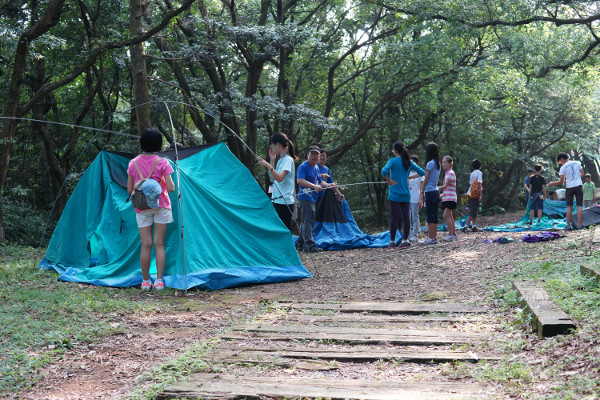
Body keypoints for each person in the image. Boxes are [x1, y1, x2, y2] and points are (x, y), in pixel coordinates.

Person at [127, 128, 175, 291]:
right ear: (159, 145)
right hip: (161, 205)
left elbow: (129, 189)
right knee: (159, 243)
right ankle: (160, 281)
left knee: (146, 244)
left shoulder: (133, 163)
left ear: (141, 144)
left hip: (142, 206)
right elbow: (170, 188)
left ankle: (146, 281)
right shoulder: (163, 162)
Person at [381, 142, 425, 248]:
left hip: (394, 194)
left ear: (395, 151)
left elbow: (384, 171)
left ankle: (392, 242)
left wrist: (389, 180)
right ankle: (405, 240)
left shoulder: (392, 161)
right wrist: (410, 178)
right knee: (406, 218)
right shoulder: (408, 162)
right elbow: (422, 172)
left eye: (392, 150)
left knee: (394, 218)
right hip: (405, 194)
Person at [296, 145, 337, 252]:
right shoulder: (303, 166)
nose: (314, 156)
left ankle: (300, 244)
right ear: (307, 155)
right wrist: (314, 186)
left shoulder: (316, 168)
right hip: (305, 196)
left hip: (313, 198)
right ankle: (309, 246)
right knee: (308, 221)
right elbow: (300, 180)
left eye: (316, 154)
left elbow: (320, 182)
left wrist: (329, 186)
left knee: (306, 220)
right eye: (312, 154)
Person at [257, 132, 298, 231]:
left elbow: (280, 178)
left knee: (284, 231)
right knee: (276, 230)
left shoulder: (288, 160)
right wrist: (272, 160)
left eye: (272, 145)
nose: (271, 148)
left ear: (278, 145)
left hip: (284, 203)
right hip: (277, 201)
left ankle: (288, 247)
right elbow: (273, 179)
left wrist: (269, 166)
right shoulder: (280, 160)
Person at [548, 152, 584, 230]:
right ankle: (580, 225)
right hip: (578, 186)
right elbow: (582, 174)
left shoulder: (563, 167)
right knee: (579, 206)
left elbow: (561, 182)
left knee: (569, 207)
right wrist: (576, 178)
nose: (560, 163)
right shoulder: (577, 163)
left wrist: (552, 183)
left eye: (559, 162)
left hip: (569, 187)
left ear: (561, 159)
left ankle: (568, 226)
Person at [419, 143, 442, 245]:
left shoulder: (430, 164)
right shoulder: (438, 163)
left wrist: (421, 192)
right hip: (436, 190)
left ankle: (431, 238)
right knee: (434, 214)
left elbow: (426, 179)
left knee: (430, 215)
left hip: (430, 191)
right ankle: (433, 237)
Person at [439, 156, 458, 241]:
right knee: (450, 216)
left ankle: (451, 235)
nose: (443, 164)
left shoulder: (450, 173)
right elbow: (448, 188)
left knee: (446, 215)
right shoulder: (447, 173)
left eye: (445, 162)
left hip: (451, 198)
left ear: (450, 164)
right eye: (442, 162)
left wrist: (434, 188)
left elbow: (445, 186)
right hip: (447, 197)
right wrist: (443, 194)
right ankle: (453, 234)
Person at [408, 155, 425, 243]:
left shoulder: (420, 174)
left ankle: (414, 234)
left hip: (415, 198)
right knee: (407, 217)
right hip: (406, 198)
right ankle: (407, 235)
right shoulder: (406, 172)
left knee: (415, 217)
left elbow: (422, 187)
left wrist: (421, 199)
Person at [463, 159, 483, 233]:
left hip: (470, 193)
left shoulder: (472, 173)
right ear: (480, 166)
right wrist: (480, 195)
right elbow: (479, 184)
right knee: (473, 211)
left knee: (473, 210)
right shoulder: (479, 173)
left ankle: (474, 226)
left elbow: (470, 184)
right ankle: (466, 226)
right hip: (475, 194)